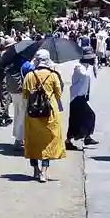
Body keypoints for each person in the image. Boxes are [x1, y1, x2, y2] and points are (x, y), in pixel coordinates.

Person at [23, 50, 65, 181]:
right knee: (48, 142)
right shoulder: (53, 75)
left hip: (32, 113)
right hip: (49, 112)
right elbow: (59, 94)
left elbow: (25, 94)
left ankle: (35, 169)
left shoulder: (29, 75)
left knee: (33, 140)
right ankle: (44, 171)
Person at [66, 54, 98, 151]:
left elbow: (91, 77)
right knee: (75, 119)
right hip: (76, 97)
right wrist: (93, 66)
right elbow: (85, 75)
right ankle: (69, 141)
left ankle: (86, 137)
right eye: (92, 59)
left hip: (81, 97)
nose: (94, 60)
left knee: (88, 116)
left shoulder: (86, 67)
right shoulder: (79, 67)